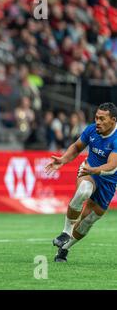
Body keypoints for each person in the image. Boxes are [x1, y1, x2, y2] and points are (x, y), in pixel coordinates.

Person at [45, 103, 117, 262]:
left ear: (113, 120)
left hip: (108, 182)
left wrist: (95, 170)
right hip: (89, 172)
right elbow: (77, 147)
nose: (97, 121)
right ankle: (65, 232)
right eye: (97, 117)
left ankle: (64, 248)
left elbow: (112, 165)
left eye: (102, 119)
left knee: (87, 222)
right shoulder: (92, 130)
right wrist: (63, 159)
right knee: (84, 190)